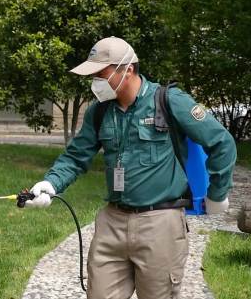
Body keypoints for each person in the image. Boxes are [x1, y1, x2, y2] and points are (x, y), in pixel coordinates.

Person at [25, 37, 236, 299]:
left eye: (100, 74)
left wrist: (217, 194)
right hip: (112, 223)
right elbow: (75, 157)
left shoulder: (168, 101)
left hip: (160, 223)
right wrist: (50, 184)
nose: (95, 83)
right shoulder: (100, 112)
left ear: (127, 69)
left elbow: (222, 143)